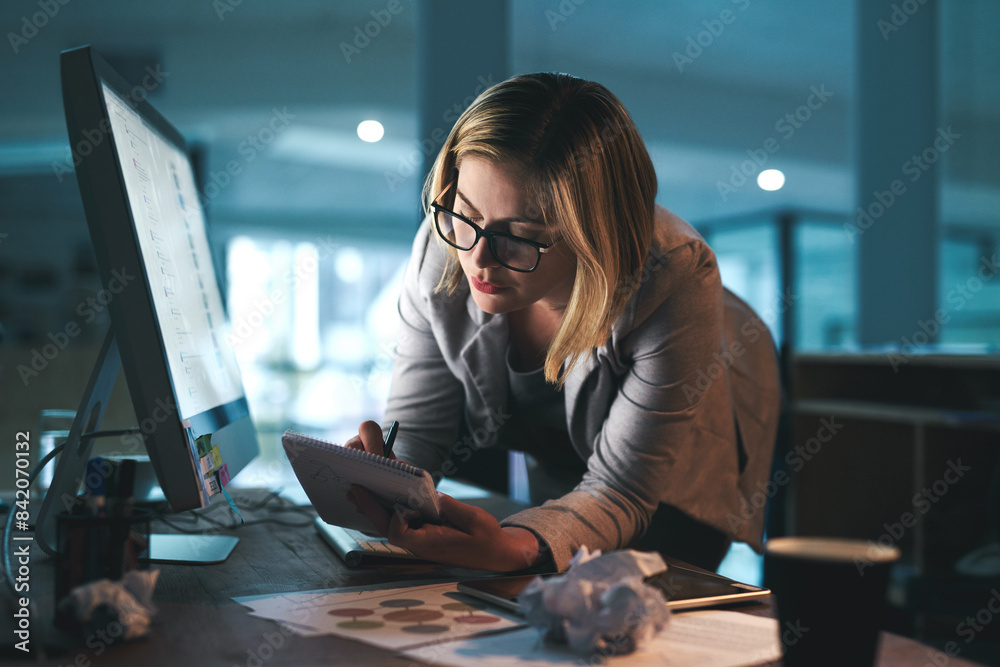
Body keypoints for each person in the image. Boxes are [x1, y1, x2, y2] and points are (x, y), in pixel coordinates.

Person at [345, 72, 781, 573]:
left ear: (595, 234)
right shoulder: (448, 240)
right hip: (566, 458)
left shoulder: (675, 276)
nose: (478, 258)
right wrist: (390, 482)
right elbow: (420, 432)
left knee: (637, 612)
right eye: (465, 213)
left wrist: (517, 546)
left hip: (677, 479)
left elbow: (623, 489)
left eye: (520, 235)